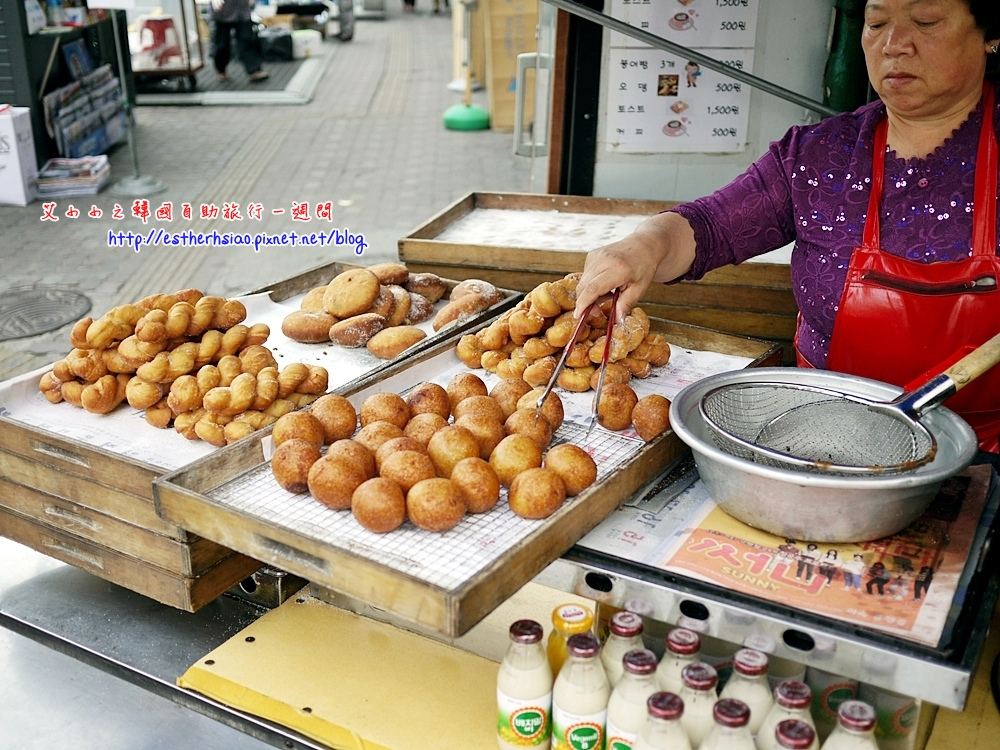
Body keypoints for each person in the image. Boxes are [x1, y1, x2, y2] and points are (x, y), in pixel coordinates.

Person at [574, 0, 1000, 457]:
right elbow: (709, 226)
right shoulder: (817, 157)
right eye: (876, 24)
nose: (894, 45)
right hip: (821, 443)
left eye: (926, 21)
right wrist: (644, 246)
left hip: (983, 458)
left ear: (989, 34)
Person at [210, 0, 269, 82]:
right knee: (222, 44)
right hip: (223, 9)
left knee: (247, 40)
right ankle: (221, 70)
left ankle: (254, 70)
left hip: (242, 9)